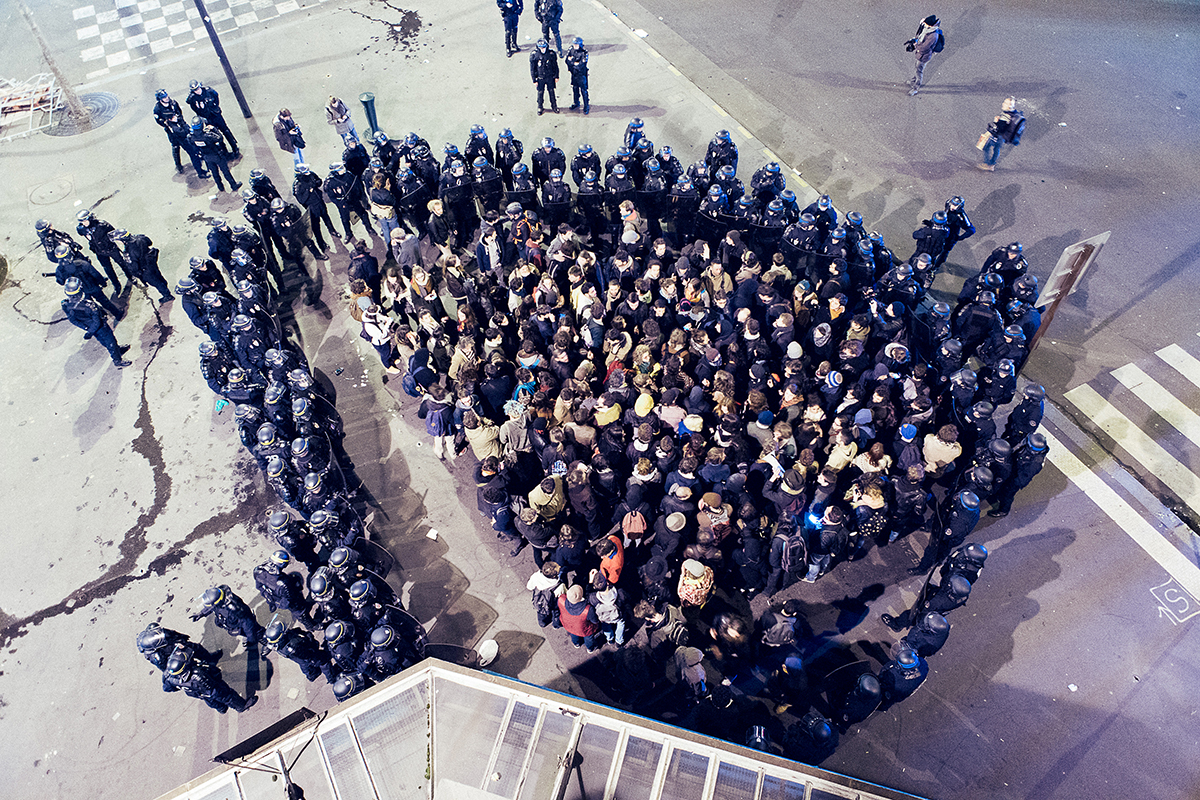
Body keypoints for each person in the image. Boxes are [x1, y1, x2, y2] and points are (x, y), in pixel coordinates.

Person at [162, 644, 258, 713]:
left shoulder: (168, 676)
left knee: (209, 700)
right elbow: (214, 690)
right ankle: (241, 706)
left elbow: (167, 688)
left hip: (197, 693)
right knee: (226, 695)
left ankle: (221, 708)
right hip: (210, 689)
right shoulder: (197, 676)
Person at [61, 278, 131, 367]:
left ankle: (117, 350)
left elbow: (73, 320)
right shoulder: (89, 305)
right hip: (100, 327)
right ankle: (117, 360)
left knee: (104, 341)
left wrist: (87, 329)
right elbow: (97, 321)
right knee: (110, 341)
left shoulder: (65, 305)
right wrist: (90, 331)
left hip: (91, 328)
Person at [989, 432, 1048, 516]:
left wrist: (1012, 483)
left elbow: (1024, 478)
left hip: (1015, 479)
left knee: (1007, 494)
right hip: (1013, 470)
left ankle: (1003, 510)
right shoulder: (1030, 451)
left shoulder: (1035, 463)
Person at [110, 228, 174, 303]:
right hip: (151, 262)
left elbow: (133, 267)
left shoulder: (129, 251)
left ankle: (167, 295)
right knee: (158, 275)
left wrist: (138, 275)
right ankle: (165, 285)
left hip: (144, 269)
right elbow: (149, 242)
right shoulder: (139, 237)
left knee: (155, 282)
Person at [153, 89, 207, 176]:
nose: (166, 98)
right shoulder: (158, 109)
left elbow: (179, 113)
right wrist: (167, 122)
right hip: (173, 131)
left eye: (166, 96)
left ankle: (198, 159)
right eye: (164, 97)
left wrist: (179, 120)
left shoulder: (173, 103)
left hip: (181, 127)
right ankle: (178, 165)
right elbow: (158, 120)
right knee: (175, 147)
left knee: (191, 145)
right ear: (160, 99)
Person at [75, 209, 129, 293]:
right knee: (108, 269)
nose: (84, 223)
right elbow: (82, 233)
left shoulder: (102, 225)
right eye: (82, 222)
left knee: (121, 262)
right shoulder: (82, 229)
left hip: (110, 248)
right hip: (99, 251)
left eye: (85, 220)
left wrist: (109, 241)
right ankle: (116, 284)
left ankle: (130, 276)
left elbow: (113, 232)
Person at [186, 79, 239, 156]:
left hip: (216, 114)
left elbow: (216, 96)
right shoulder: (192, 98)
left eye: (197, 89)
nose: (197, 91)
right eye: (194, 90)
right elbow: (194, 108)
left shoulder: (208, 91)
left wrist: (215, 106)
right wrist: (201, 110)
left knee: (226, 131)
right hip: (207, 118)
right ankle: (224, 152)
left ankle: (234, 147)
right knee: (216, 136)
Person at [293, 163, 336, 252]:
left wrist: (315, 183)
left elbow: (319, 180)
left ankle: (332, 231)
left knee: (326, 217)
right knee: (316, 227)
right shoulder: (298, 185)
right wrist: (308, 190)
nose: (307, 172)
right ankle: (322, 244)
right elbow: (301, 200)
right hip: (312, 207)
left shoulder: (311, 174)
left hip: (319, 201)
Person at [978, 96, 1026, 171]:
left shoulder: (1005, 116)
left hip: (999, 136)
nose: (1003, 104)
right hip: (1005, 137)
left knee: (986, 147)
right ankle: (992, 164)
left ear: (1009, 106)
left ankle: (987, 164)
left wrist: (996, 121)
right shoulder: (1013, 113)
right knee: (997, 149)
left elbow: (1000, 128)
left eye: (1005, 103)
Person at [904, 14, 943, 96]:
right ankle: (913, 81)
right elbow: (920, 35)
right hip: (920, 54)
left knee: (919, 71)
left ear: (930, 25)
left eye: (926, 23)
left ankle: (916, 87)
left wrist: (915, 45)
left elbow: (924, 48)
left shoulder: (932, 36)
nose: (924, 24)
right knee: (916, 68)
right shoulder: (928, 29)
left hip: (923, 56)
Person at [558, 583, 602, 650]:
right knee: (589, 638)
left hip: (569, 625)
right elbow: (594, 620)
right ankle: (590, 648)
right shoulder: (587, 609)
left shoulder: (561, 599)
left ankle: (576, 643)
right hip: (585, 630)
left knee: (573, 633)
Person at [530, 39, 560, 116]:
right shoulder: (534, 55)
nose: (543, 49)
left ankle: (554, 106)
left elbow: (555, 66)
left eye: (544, 47)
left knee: (551, 92)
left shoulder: (551, 54)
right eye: (541, 48)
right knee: (540, 93)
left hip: (550, 76)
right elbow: (532, 68)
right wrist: (534, 79)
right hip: (540, 77)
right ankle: (540, 107)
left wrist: (556, 76)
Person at [565, 37, 590, 114]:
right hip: (574, 73)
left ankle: (586, 106)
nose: (575, 46)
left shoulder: (584, 52)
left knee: (583, 90)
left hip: (581, 74)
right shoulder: (571, 49)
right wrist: (574, 63)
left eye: (577, 44)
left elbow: (581, 65)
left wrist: (572, 61)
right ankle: (576, 102)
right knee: (575, 88)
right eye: (574, 44)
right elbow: (566, 60)